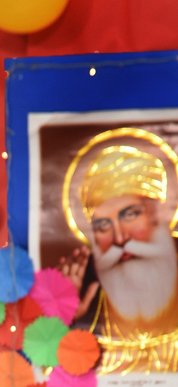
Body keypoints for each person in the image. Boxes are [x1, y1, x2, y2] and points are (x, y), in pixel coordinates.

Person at [60, 145, 178, 371]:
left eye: (130, 215)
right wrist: (66, 321)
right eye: (103, 225)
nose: (120, 238)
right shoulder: (86, 306)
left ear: (160, 216)